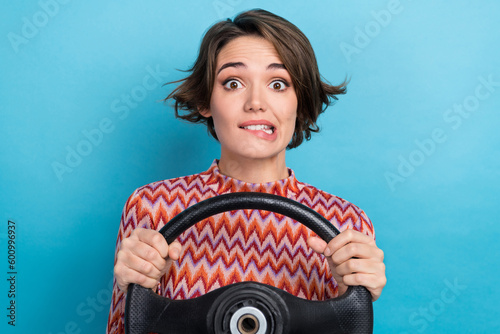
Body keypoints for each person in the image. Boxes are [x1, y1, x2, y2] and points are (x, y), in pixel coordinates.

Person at [107, 9, 386, 333]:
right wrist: (138, 285)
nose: (256, 102)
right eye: (233, 83)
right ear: (206, 101)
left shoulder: (345, 223)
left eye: (278, 84)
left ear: (300, 100)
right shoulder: (152, 207)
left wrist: (348, 292)